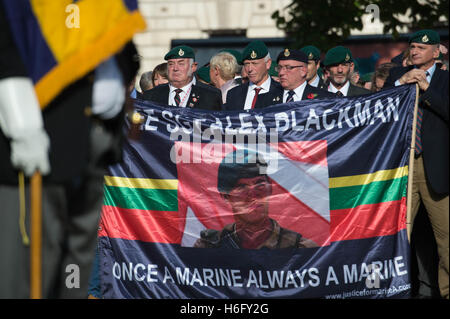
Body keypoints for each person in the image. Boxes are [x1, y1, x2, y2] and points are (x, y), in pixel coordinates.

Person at [0, 1, 139, 298]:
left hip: (96, 140)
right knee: (32, 270)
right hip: (43, 138)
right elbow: (7, 45)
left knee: (75, 267)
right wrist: (23, 126)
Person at [383, 29, 449, 299]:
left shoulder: (445, 80)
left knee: (446, 240)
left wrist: (426, 88)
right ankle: (394, 291)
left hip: (436, 169)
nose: (415, 50)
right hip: (402, 167)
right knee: (395, 236)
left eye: (422, 47)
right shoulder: (394, 77)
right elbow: (378, 106)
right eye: (412, 46)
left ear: (437, 52)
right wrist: (401, 83)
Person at [194, 149, 318, 250]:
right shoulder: (209, 247)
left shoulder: (301, 248)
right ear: (225, 196)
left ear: (270, 189)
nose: (253, 195)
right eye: (242, 187)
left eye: (260, 185)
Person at [142, 45, 222, 110]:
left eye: (181, 64)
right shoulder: (151, 96)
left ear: (193, 67)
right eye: (171, 64)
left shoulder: (211, 95)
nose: (175, 68)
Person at [224, 40, 283, 110]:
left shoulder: (282, 92)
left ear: (268, 64)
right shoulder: (234, 94)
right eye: (246, 64)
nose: (250, 69)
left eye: (255, 63)